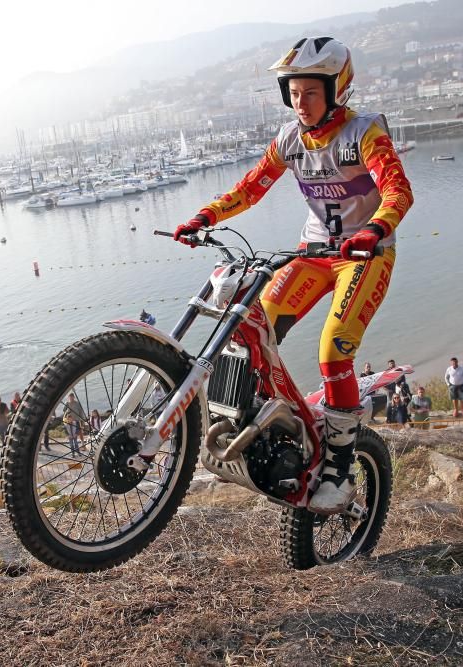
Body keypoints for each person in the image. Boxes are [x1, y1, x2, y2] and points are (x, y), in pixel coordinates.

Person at [172, 37, 412, 514]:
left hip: (364, 257)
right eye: (294, 93)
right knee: (253, 326)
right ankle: (265, 424)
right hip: (313, 252)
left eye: (310, 93)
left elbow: (397, 191)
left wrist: (376, 229)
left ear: (335, 89)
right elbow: (251, 187)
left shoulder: (364, 134)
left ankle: (340, 467)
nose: (300, 103)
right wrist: (206, 216)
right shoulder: (290, 139)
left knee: (334, 349)